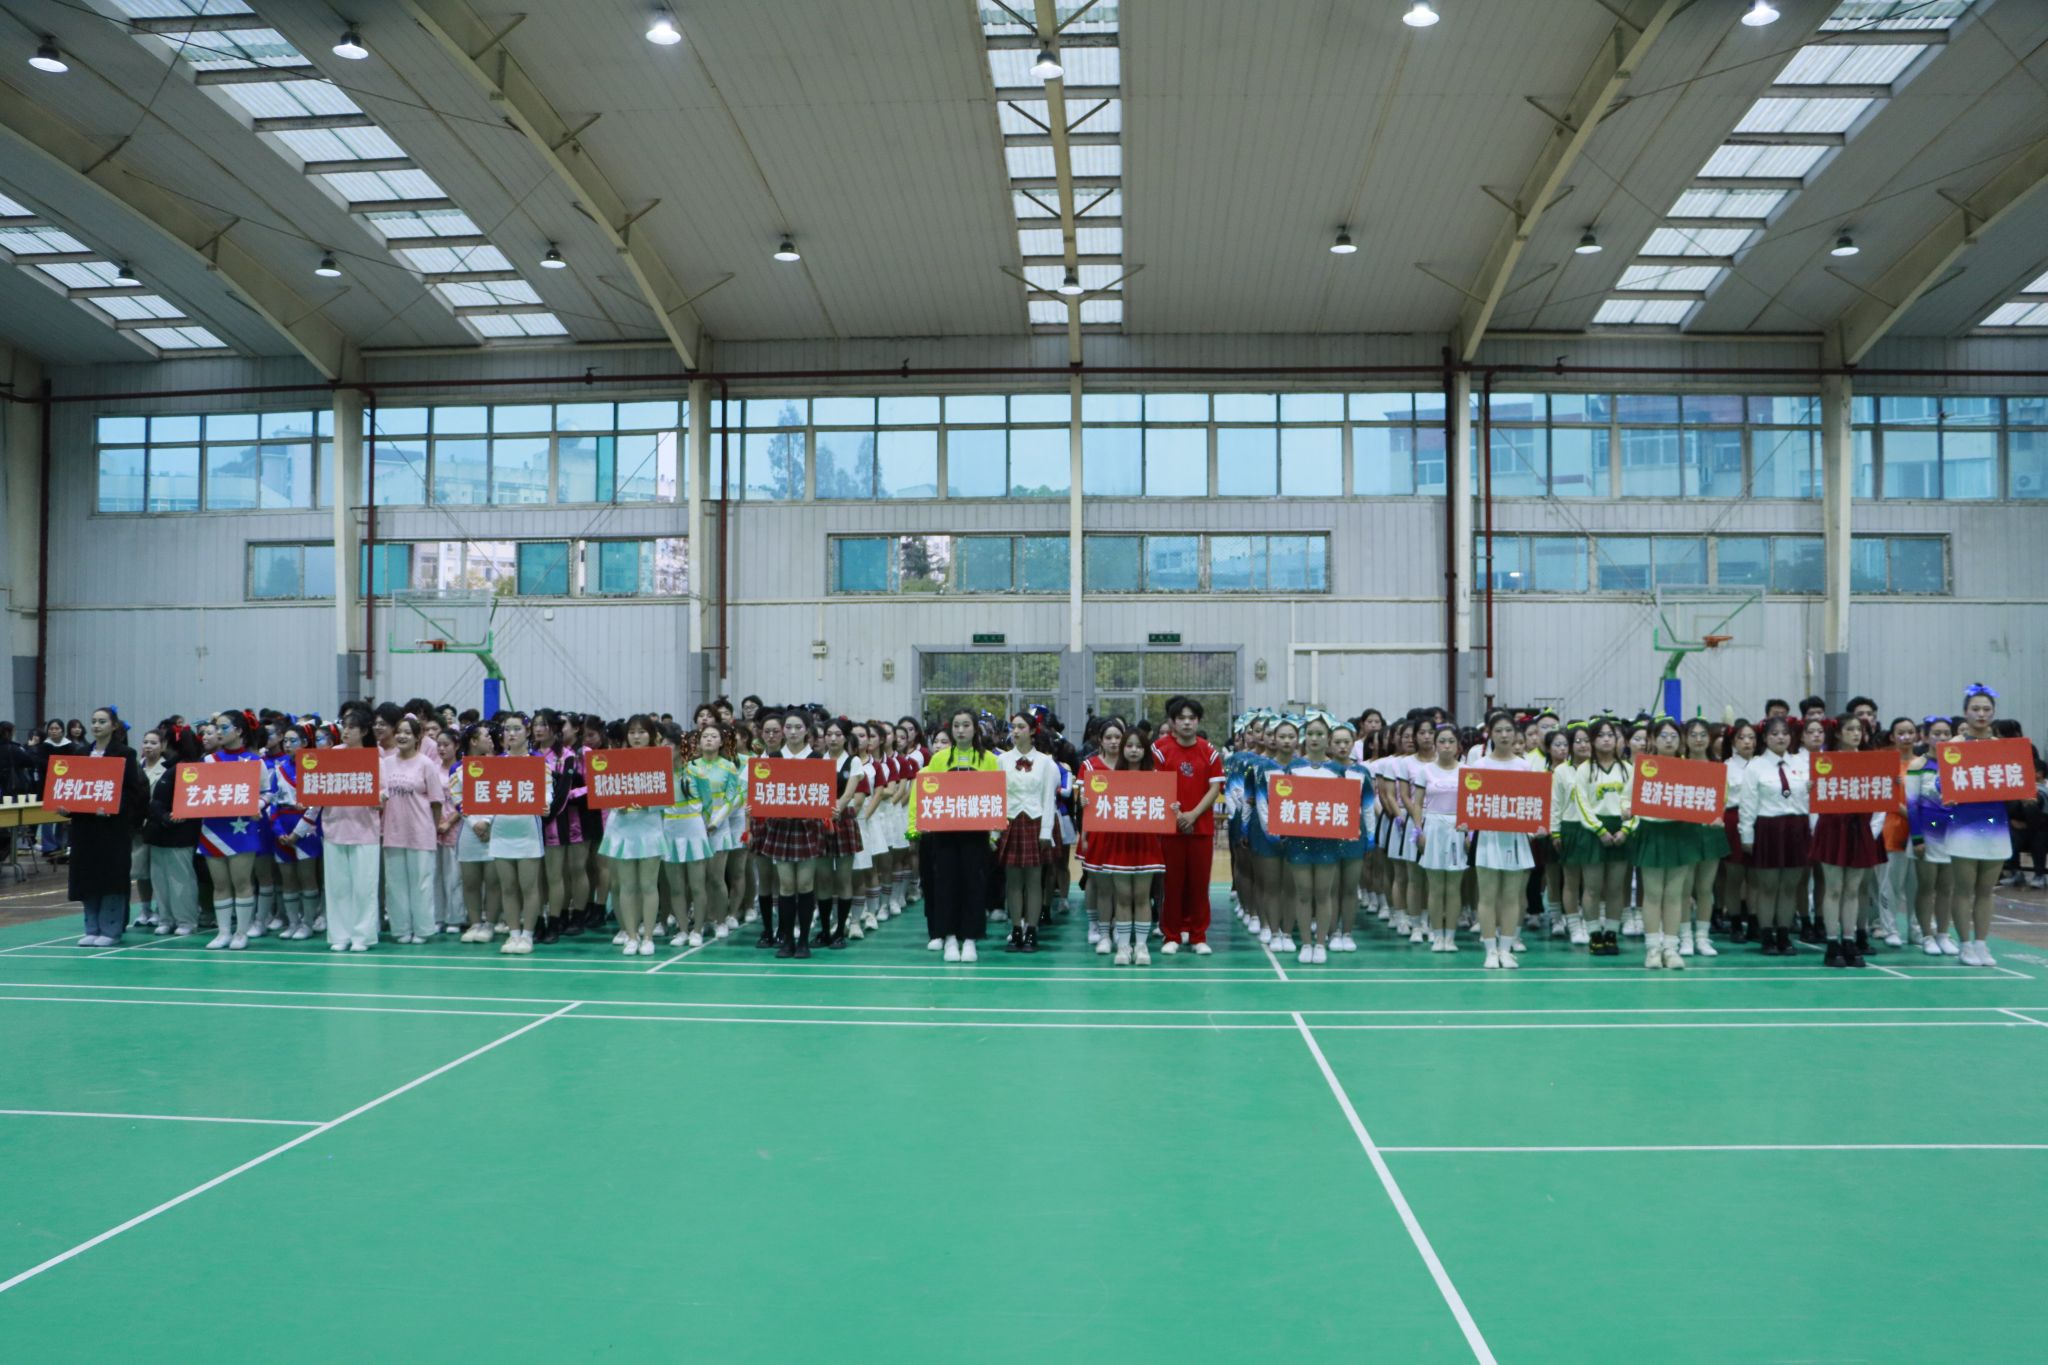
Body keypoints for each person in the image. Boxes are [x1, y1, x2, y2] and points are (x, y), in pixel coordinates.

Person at [909, 708, 999, 963]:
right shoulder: (939, 760)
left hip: (976, 835)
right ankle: (948, 937)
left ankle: (970, 939)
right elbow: (929, 793)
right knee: (946, 885)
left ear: (975, 729)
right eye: (956, 725)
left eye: (966, 725)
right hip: (944, 835)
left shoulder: (989, 760)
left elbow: (995, 796)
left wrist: (994, 834)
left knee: (974, 885)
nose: (961, 730)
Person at [67, 706, 148, 946]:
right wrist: (66, 806)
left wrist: (113, 807)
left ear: (113, 726)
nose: (96, 725)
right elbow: (72, 787)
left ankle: (111, 930)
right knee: (87, 875)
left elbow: (133, 792)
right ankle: (91, 927)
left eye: (102, 721)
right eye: (93, 721)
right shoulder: (81, 753)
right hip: (84, 826)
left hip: (112, 828)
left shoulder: (125, 754)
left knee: (111, 877)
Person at [1151, 696, 1224, 955]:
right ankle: (1171, 935)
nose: (1186, 723)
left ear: (1198, 721)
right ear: (1172, 722)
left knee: (1199, 884)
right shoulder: (1160, 750)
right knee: (1172, 884)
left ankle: (1198, 935)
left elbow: (1214, 788)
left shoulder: (1209, 751)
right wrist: (1178, 814)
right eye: (1181, 718)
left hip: (1200, 829)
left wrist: (1192, 815)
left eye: (1191, 718)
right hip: (1170, 829)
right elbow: (1157, 786)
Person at [1946, 684, 2012, 966]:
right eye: (1975, 709)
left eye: (1986, 709)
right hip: (1964, 825)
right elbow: (1941, 783)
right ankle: (1964, 944)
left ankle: (1981, 943)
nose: (1981, 714)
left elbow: (2013, 779)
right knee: (1964, 888)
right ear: (1965, 712)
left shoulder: (2003, 747)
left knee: (1986, 890)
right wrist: (1945, 791)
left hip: (1996, 825)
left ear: (1993, 713)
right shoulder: (1954, 746)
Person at [597, 714, 670, 956]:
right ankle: (630, 935)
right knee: (626, 886)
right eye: (632, 732)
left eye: (641, 732)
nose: (636, 737)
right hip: (622, 828)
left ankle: (647, 936)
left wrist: (649, 803)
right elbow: (605, 791)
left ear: (651, 735)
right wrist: (615, 802)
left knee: (648, 885)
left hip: (649, 827)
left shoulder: (660, 759)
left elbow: (666, 798)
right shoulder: (615, 760)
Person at [1466, 711, 1532, 970]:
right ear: (1489, 734)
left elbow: (1531, 803)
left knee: (1511, 896)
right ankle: (1490, 950)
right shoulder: (1479, 766)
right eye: (1498, 731)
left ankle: (1506, 949)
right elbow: (1470, 804)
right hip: (1487, 837)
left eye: (1508, 730)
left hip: (1515, 837)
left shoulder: (1524, 767)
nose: (1504, 735)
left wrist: (1536, 826)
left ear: (1515, 734)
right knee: (1487, 896)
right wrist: (1467, 825)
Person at [1738, 716, 1808, 957]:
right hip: (1768, 828)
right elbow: (1747, 804)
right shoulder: (1755, 766)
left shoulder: (1801, 764)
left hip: (1797, 827)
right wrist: (1747, 835)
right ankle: (1766, 935)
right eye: (1775, 733)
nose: (1780, 737)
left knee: (1790, 886)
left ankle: (1784, 935)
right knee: (1768, 886)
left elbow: (1811, 800)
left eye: (1785, 733)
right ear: (1765, 738)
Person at [322, 708, 386, 952]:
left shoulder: (375, 758)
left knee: (364, 887)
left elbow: (384, 791)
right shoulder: (332, 755)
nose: (345, 732)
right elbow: (319, 784)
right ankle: (340, 935)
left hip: (364, 830)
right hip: (334, 827)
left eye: (351, 727)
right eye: (344, 727)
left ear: (364, 731)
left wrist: (379, 799)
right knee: (337, 887)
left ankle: (362, 936)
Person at [381, 715, 446, 945]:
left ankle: (423, 929)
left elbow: (437, 802)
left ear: (418, 737)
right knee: (395, 885)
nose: (402, 736)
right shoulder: (386, 763)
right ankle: (401, 929)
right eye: (399, 732)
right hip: (393, 832)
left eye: (408, 732)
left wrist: (432, 829)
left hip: (421, 832)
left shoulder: (426, 764)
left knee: (422, 884)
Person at [141, 722, 201, 936]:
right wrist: (162, 816)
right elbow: (155, 802)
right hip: (159, 834)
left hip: (179, 835)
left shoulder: (187, 769)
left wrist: (168, 816)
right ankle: (166, 918)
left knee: (180, 879)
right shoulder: (170, 768)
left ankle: (186, 920)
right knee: (160, 880)